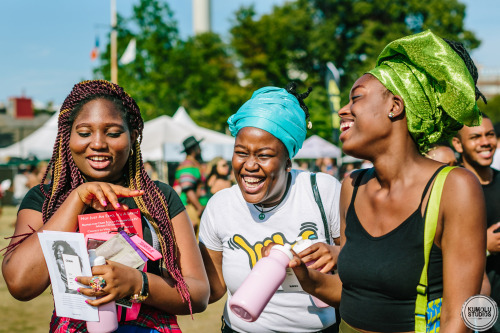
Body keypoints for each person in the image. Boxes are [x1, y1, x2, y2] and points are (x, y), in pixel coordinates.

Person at [288, 31, 486, 333]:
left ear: (395, 106)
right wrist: (306, 276)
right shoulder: (352, 185)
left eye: (356, 97)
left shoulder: (453, 187)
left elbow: (459, 316)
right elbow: (353, 294)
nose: (343, 109)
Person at [2, 80, 209, 332]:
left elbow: (198, 294)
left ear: (133, 137)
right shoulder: (46, 199)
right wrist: (76, 199)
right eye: (85, 132)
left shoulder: (159, 198)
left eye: (112, 133)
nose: (98, 143)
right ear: (67, 137)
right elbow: (20, 284)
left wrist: (139, 283)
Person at [199, 83, 342, 333]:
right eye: (241, 153)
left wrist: (339, 254)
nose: (250, 165)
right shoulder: (220, 205)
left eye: (263, 155)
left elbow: (361, 266)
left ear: (288, 161)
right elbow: (213, 289)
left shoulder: (323, 191)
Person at [452, 114, 500, 332]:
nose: (485, 142)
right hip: (475, 304)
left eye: (489, 135)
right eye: (475, 137)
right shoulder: (450, 189)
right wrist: (485, 248)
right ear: (457, 144)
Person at [174, 135, 209, 231]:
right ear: (194, 149)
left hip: (196, 207)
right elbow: (187, 188)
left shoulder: (193, 164)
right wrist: (199, 208)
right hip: (192, 208)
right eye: (198, 147)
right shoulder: (187, 165)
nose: (200, 150)